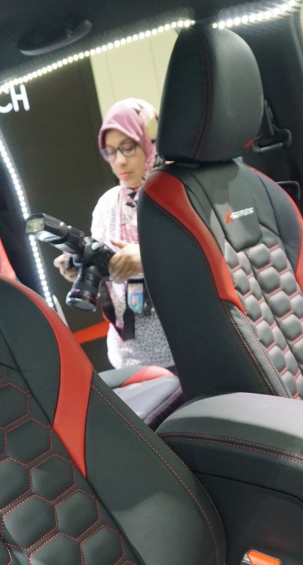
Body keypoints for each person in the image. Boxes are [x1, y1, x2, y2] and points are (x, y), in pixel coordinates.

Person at [53, 98, 175, 370]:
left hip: (184, 348)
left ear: (150, 141)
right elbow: (103, 268)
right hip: (128, 355)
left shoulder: (179, 194)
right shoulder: (108, 204)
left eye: (128, 147)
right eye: (110, 152)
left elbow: (209, 262)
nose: (119, 160)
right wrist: (81, 268)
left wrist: (147, 258)